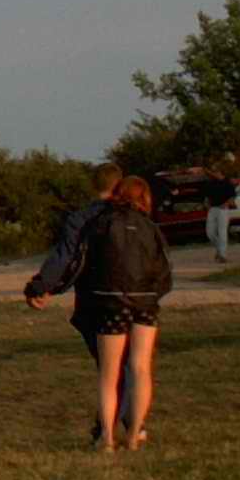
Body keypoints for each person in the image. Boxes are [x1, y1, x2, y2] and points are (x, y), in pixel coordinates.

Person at [25, 162, 133, 444]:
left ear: (93, 185)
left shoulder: (82, 219)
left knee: (108, 368)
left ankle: (108, 428)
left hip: (95, 301)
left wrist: (41, 286)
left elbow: (66, 258)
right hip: (135, 300)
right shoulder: (135, 216)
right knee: (132, 365)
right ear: (119, 184)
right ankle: (133, 424)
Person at [74, 174, 172, 449]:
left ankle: (106, 437)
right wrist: (153, 295)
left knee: (109, 373)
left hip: (110, 304)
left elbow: (85, 263)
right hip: (146, 304)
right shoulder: (151, 228)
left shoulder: (102, 224)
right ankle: (134, 435)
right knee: (141, 369)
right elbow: (164, 272)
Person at [203, 171, 237, 262]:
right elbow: (206, 196)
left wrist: (226, 203)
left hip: (223, 209)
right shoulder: (210, 183)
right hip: (212, 209)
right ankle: (219, 249)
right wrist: (206, 203)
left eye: (215, 172)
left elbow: (232, 196)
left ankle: (223, 255)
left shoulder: (228, 183)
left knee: (222, 232)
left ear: (221, 173)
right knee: (210, 233)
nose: (213, 174)